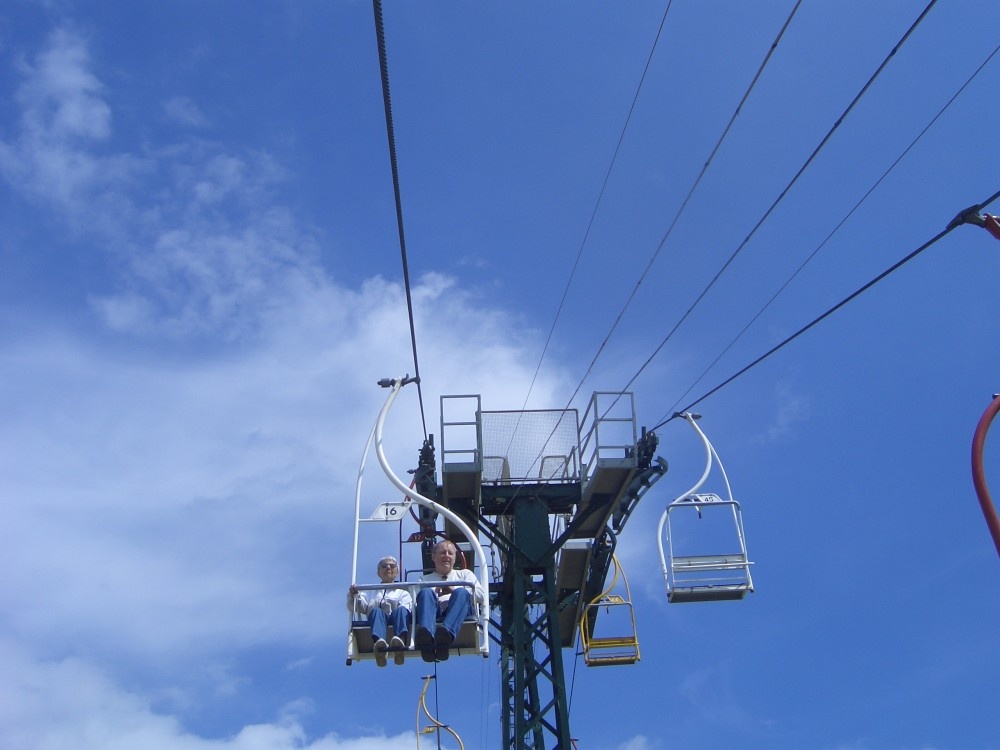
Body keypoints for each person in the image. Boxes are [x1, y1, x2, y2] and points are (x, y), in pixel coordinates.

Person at [414, 539, 486, 662]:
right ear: (433, 556)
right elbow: (414, 602)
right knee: (425, 592)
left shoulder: (465, 575)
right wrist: (435, 592)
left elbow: (480, 595)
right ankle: (427, 635)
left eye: (450, 553)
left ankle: (446, 633)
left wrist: (453, 591)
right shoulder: (424, 579)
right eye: (442, 553)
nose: (446, 556)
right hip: (435, 611)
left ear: (454, 557)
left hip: (460, 611)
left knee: (461, 592)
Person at [348, 556, 412, 667]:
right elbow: (360, 606)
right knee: (376, 611)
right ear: (378, 573)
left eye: (392, 566)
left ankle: (400, 642)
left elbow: (407, 608)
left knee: (401, 610)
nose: (388, 568)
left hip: (396, 619)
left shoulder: (403, 591)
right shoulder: (371, 591)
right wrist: (354, 596)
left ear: (397, 572)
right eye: (384, 566)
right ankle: (379, 644)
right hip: (378, 620)